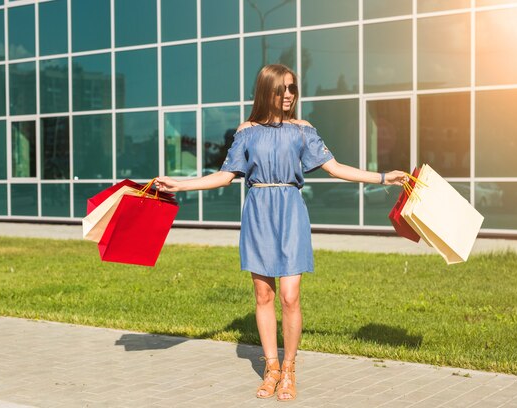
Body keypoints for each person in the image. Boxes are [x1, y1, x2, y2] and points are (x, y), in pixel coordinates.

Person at [154, 64, 408, 401]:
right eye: (281, 89)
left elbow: (335, 168)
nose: (288, 94)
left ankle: (289, 369)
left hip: (290, 212)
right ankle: (271, 368)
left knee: (290, 296)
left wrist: (382, 177)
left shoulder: (303, 130)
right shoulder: (246, 131)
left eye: (291, 88)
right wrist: (180, 184)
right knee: (264, 296)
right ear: (266, 91)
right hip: (258, 212)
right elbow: (225, 175)